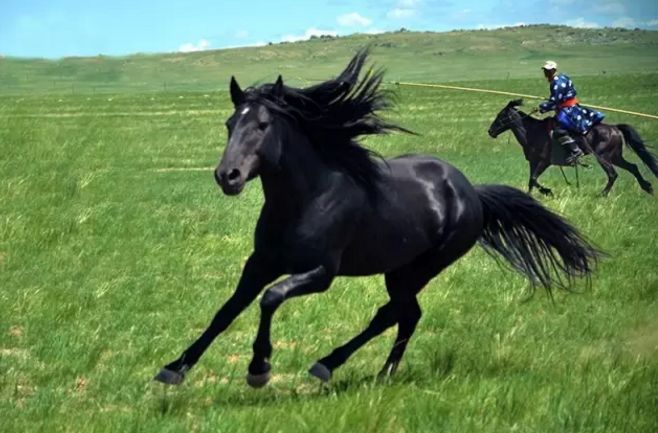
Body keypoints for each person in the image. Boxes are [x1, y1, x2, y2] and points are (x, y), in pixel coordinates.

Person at [538, 60, 605, 164]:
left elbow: (554, 101)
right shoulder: (562, 77)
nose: (546, 72)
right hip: (570, 107)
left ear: (554, 70)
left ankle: (576, 151)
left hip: (568, 111)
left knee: (558, 131)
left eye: (548, 70)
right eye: (545, 70)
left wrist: (542, 108)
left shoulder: (557, 83)